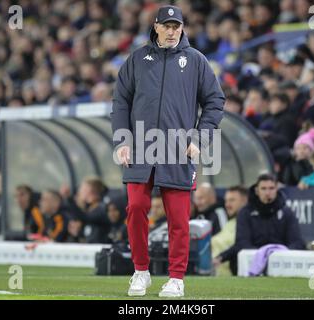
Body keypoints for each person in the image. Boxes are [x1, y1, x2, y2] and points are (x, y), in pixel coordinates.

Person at [111, 5, 225, 297]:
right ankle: (140, 271)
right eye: (168, 26)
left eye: (178, 26)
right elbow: (121, 102)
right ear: (156, 26)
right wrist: (122, 141)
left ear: (183, 28)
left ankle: (176, 278)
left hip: (178, 149)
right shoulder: (137, 59)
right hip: (140, 147)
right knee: (136, 208)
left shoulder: (196, 61)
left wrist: (199, 139)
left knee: (178, 218)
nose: (173, 31)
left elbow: (215, 101)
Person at [213, 174, 305, 272]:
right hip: (252, 264)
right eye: (263, 189)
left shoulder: (286, 212)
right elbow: (242, 242)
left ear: (276, 189)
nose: (267, 192)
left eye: (271, 188)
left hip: (280, 264)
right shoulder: (246, 213)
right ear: (257, 190)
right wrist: (262, 255)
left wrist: (279, 254)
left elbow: (296, 241)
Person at [211, 185, 248, 276]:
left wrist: (221, 257)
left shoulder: (249, 224)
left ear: (244, 201)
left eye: (232, 200)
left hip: (236, 276)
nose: (227, 205)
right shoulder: (229, 223)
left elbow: (240, 245)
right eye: (226, 201)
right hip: (218, 278)